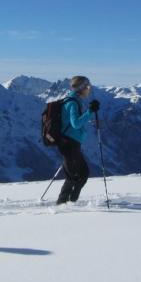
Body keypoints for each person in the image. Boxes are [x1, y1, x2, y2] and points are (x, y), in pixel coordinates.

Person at [56, 76, 100, 204]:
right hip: (68, 144)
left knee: (81, 173)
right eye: (87, 87)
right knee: (74, 176)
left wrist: (89, 112)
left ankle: (70, 202)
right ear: (81, 88)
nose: (89, 89)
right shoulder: (72, 102)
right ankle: (62, 204)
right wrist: (90, 111)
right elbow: (76, 124)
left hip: (71, 143)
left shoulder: (74, 100)